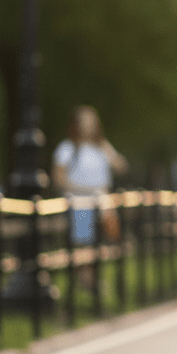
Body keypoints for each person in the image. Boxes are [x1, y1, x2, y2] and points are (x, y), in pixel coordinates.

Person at [51, 105, 128, 248]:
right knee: (83, 247)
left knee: (111, 240)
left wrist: (107, 149)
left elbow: (121, 166)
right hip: (80, 203)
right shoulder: (67, 148)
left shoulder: (101, 148)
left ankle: (114, 247)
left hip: (102, 204)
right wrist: (88, 190)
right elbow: (58, 179)